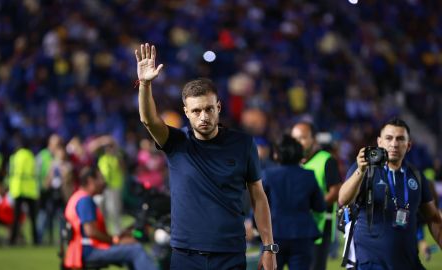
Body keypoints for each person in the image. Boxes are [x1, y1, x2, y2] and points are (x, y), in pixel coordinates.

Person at [135, 43, 276, 270]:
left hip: (230, 253)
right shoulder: (175, 142)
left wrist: (269, 247)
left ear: (218, 107)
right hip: (185, 254)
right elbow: (148, 120)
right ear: (186, 112)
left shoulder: (243, 144)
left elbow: (258, 197)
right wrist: (145, 84)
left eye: (209, 109)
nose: (204, 116)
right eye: (196, 111)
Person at [338, 118, 442, 270]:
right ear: (379, 142)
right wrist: (360, 170)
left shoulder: (416, 176)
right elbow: (343, 199)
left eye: (400, 139)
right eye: (389, 138)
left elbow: (433, 218)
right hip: (370, 264)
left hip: (409, 263)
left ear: (409, 145)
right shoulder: (365, 169)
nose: (394, 144)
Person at [64, 166, 157, 270]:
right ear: (91, 181)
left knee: (131, 248)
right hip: (89, 251)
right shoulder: (85, 200)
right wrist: (115, 240)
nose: (104, 183)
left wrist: (119, 236)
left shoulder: (76, 197)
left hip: (80, 250)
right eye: (101, 178)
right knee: (136, 250)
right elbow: (91, 232)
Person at [263, 134, 325, 270]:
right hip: (302, 234)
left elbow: (260, 207)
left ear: (277, 154)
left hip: (275, 234)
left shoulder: (268, 175)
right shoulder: (309, 175)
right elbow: (320, 207)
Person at [291, 121, 342, 270]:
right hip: (295, 227)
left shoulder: (326, 159)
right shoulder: (293, 162)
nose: (298, 143)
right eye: (295, 139)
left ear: (313, 139)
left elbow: (336, 191)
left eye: (302, 138)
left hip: (319, 228)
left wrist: (313, 205)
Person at [8, 135, 39, 245]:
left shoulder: (15, 156)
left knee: (16, 217)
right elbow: (34, 172)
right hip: (30, 190)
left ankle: (12, 240)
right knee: (33, 219)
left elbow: (11, 172)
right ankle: (35, 240)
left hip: (17, 189)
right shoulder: (30, 156)